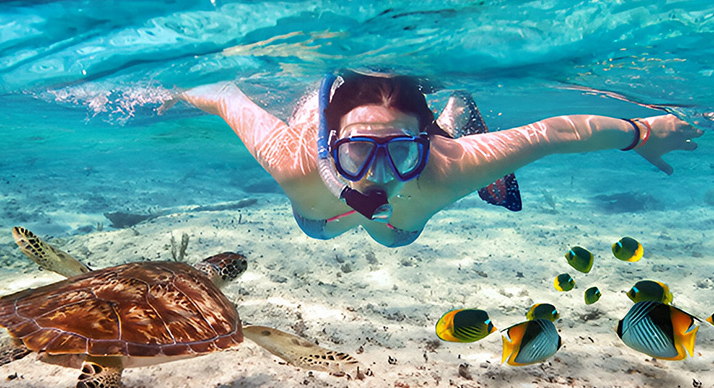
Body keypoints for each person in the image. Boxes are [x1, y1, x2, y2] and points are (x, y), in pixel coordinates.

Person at [159, 71, 703, 247]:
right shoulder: (294, 160)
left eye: (400, 150)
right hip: (320, 211)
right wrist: (179, 93)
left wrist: (643, 131)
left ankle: (454, 112)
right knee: (320, 230)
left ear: (429, 142)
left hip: (406, 215)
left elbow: (551, 134)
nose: (377, 173)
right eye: (355, 151)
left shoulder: (449, 166)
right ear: (329, 148)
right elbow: (228, 94)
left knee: (393, 237)